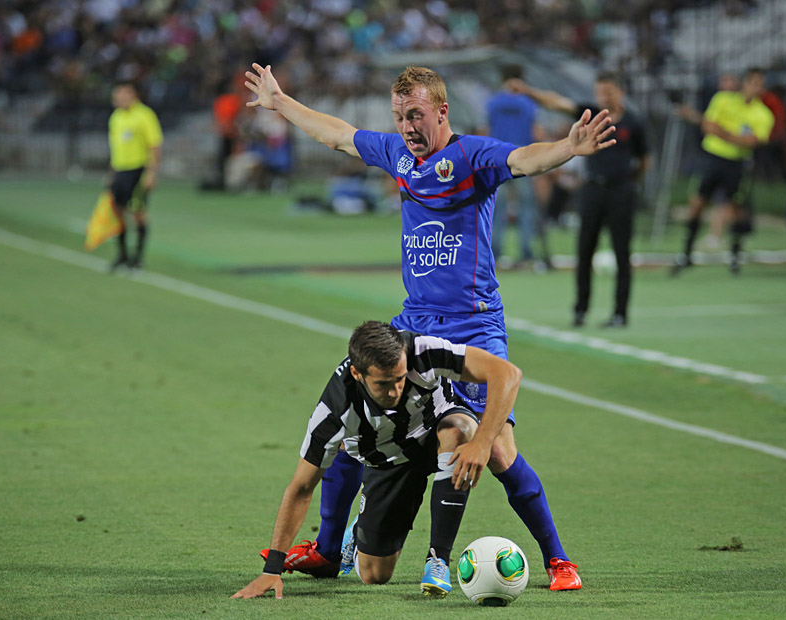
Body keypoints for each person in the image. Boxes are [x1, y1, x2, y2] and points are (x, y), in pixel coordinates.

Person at [243, 62, 614, 591]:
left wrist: (568, 148)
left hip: (473, 325)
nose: (406, 127)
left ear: (441, 111)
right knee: (352, 431)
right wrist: (280, 102)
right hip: (413, 323)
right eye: (399, 117)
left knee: (497, 450)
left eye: (415, 115)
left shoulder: (472, 156)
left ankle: (558, 560)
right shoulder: (397, 154)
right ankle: (327, 550)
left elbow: (523, 159)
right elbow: (339, 135)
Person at [231, 321, 522, 600]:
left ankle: (438, 560)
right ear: (357, 374)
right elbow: (301, 488)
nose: (395, 391)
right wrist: (272, 570)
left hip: (438, 428)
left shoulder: (423, 351)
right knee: (374, 575)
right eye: (383, 384)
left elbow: (507, 374)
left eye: (400, 378)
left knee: (461, 430)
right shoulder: (334, 411)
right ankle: (359, 531)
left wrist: (482, 443)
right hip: (390, 461)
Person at [512, 73, 649, 328]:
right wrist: (529, 91)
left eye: (608, 91)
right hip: (593, 189)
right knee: (585, 251)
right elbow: (558, 103)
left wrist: (629, 183)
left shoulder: (634, 122)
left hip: (621, 191)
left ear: (620, 92)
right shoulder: (592, 115)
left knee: (622, 253)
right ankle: (580, 310)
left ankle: (620, 313)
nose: (603, 97)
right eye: (600, 92)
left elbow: (644, 160)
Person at [670, 68, 774, 276]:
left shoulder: (763, 114)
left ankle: (735, 257)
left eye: (760, 84)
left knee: (735, 208)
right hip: (713, 158)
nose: (756, 88)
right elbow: (708, 127)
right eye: (753, 83)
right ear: (744, 83)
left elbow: (753, 141)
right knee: (698, 203)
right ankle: (686, 253)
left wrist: (724, 133)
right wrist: (735, 137)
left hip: (737, 163)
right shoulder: (723, 100)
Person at [486, 63, 540, 268]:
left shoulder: (493, 102)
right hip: (523, 159)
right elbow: (535, 131)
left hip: (497, 159)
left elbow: (486, 130)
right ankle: (526, 253)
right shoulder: (528, 103)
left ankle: (494, 254)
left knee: (495, 208)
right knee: (526, 207)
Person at [106, 80, 162, 271]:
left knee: (138, 213)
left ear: (133, 95)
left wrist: (151, 173)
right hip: (120, 170)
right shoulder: (116, 117)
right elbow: (116, 148)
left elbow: (154, 145)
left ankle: (138, 257)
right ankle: (122, 255)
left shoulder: (145, 115)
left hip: (138, 170)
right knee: (118, 212)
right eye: (117, 95)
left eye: (124, 94)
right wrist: (111, 172)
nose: (120, 98)